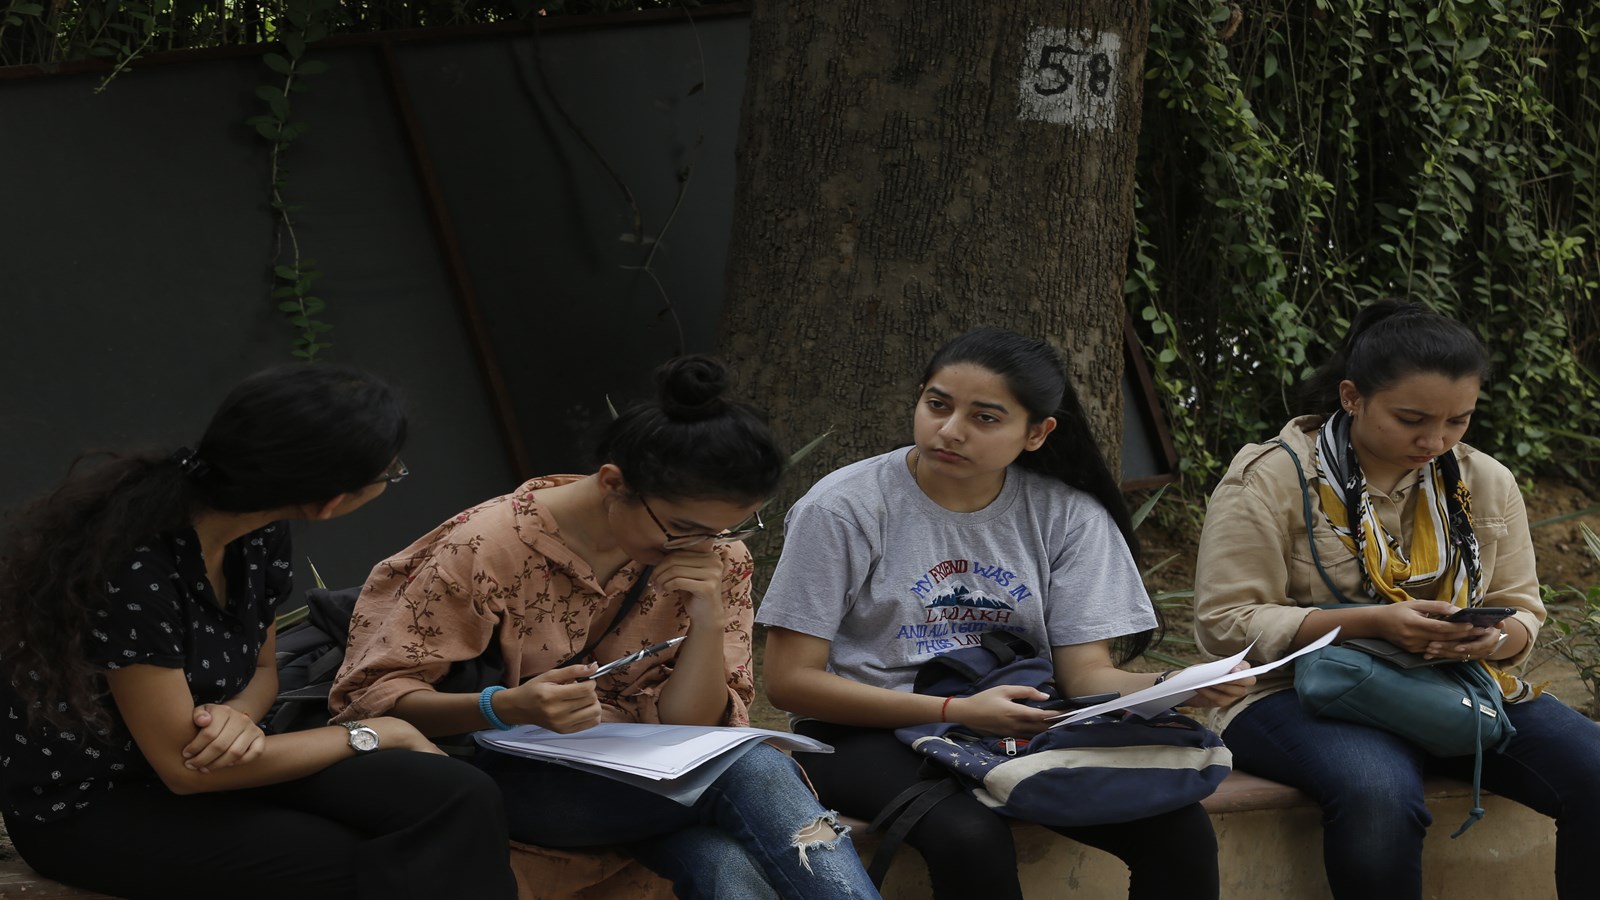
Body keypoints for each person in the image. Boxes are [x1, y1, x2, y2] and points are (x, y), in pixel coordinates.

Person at [329, 355, 880, 900]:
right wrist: (507, 707)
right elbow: (370, 703)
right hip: (506, 782)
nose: (703, 545)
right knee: (753, 769)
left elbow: (693, 724)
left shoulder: (718, 558)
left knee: (724, 864)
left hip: (654, 780)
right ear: (614, 483)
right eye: (683, 528)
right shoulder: (488, 547)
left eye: (727, 529)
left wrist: (708, 617)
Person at [757, 328, 1252, 900]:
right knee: (969, 836)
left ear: (1037, 433)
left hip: (1010, 723)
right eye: (937, 405)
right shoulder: (842, 507)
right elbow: (790, 682)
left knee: (1178, 831)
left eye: (985, 417)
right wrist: (955, 708)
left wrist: (1178, 685)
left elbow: (1085, 678)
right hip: (860, 732)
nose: (950, 429)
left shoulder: (1068, 516)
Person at [0, 364, 518, 900]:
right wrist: (372, 733)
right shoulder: (134, 572)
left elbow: (265, 668)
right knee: (367, 863)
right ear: (328, 501)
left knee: (461, 794)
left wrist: (238, 714)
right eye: (389, 471)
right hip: (98, 803)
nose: (392, 476)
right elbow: (183, 771)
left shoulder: (257, 533)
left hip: (222, 757)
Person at [1193, 300, 1600, 899]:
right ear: (1352, 397)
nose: (1435, 440)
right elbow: (1226, 622)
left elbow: (1521, 608)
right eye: (1411, 419)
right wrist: (1374, 624)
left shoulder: (1484, 480)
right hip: (1293, 692)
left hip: (1451, 683)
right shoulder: (1272, 478)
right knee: (1377, 793)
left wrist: (1489, 638)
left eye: (1458, 421)